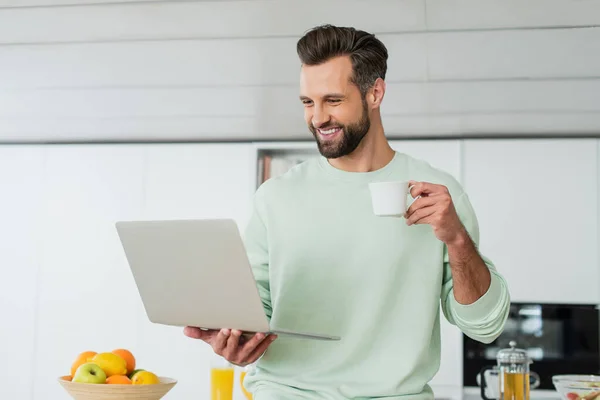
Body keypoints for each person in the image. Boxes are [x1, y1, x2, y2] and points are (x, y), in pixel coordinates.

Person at [184, 24, 510, 400]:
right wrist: (235, 341)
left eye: (333, 100)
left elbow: (486, 325)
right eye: (308, 102)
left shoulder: (437, 194)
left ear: (375, 92)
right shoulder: (276, 196)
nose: (318, 118)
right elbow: (256, 311)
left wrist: (456, 238)